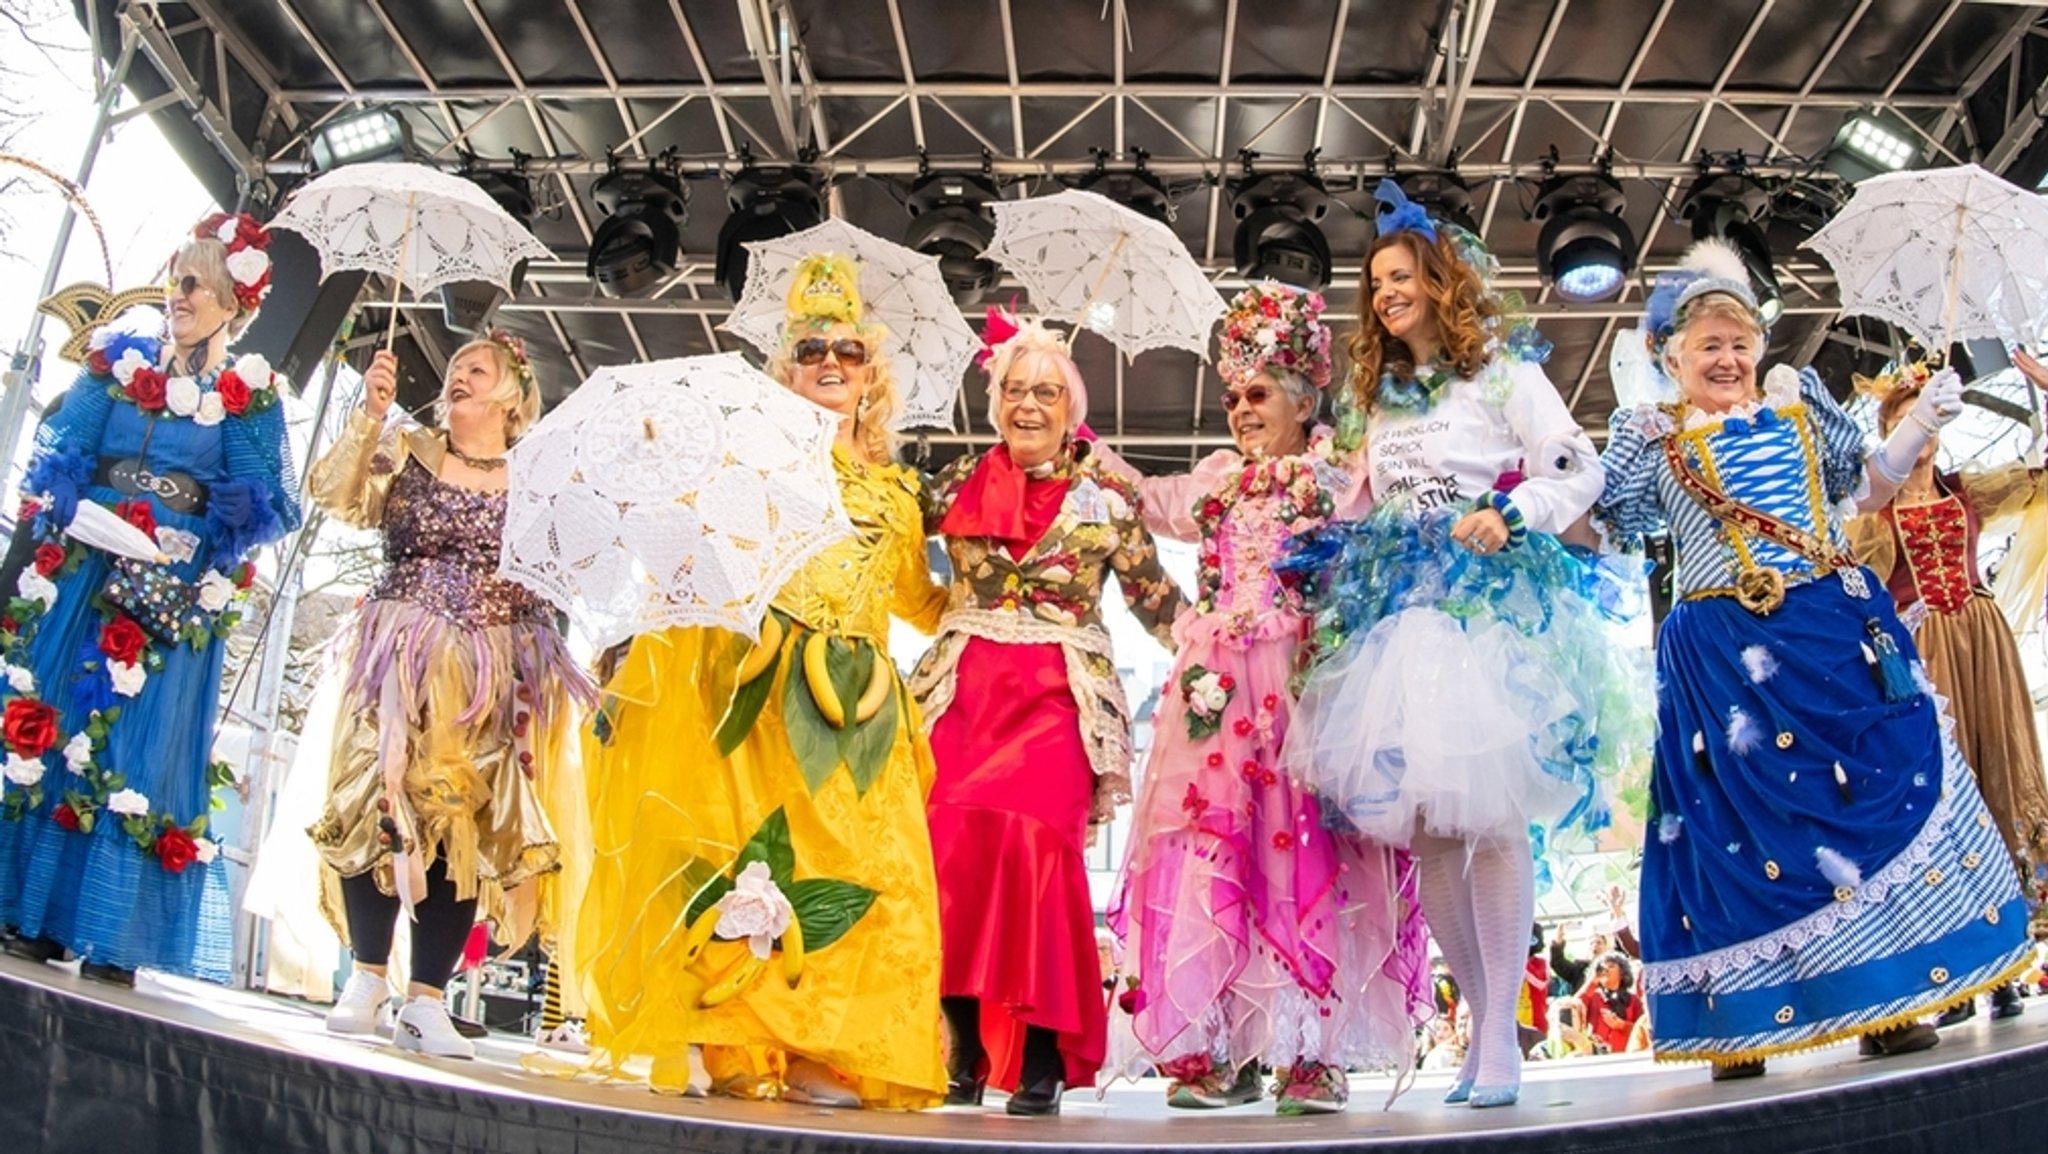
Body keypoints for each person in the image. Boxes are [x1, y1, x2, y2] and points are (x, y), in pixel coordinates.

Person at [1594, 238, 2032, 1082]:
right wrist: (1610, 446)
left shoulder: (1803, 408)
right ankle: (1743, 1022)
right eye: (1707, 348)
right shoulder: (1655, 437)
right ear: (1673, 361)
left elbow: (1864, 490)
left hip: (1829, 631)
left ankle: (1892, 1002)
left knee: (1872, 799)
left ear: (1759, 350)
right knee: (1738, 828)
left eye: (1738, 343)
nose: (1726, 359)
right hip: (1721, 650)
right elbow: (1617, 517)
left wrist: (1921, 422)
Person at [1276, 179, 1649, 1110]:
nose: (1387, 292)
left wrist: (1513, 510)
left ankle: (1500, 1043)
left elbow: (1578, 466)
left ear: (1441, 279)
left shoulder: (1505, 376)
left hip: (1489, 614)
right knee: (1433, 835)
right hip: (1398, 617)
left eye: (1400, 275)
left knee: (1490, 820)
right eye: (1376, 281)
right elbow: (1362, 494)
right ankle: (1483, 1023)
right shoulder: (1379, 397)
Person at [576, 255, 950, 1108]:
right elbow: (694, 561)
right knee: (753, 866)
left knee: (873, 874)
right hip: (760, 687)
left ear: (870, 373)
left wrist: (985, 574)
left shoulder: (897, 491)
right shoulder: (747, 464)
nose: (831, 360)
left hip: (860, 701)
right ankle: (741, 1044)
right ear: (785, 368)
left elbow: (917, 602)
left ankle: (825, 1050)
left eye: (849, 350)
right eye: (812, 347)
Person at [1099, 282, 1426, 1114]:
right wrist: (1085, 443)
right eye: (1233, 396)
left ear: (1302, 398)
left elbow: (1396, 502)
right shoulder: (1213, 478)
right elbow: (1143, 497)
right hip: (1214, 693)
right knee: (1214, 856)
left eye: (1258, 394)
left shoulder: (1337, 475)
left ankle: (1314, 1054)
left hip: (1304, 685)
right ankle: (1223, 1049)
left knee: (1312, 857)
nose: (1241, 410)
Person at [0, 214, 299, 985]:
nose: (179, 294)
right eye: (176, 279)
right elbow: (60, 450)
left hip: (170, 586)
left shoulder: (249, 397)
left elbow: (271, 504)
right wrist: (67, 498)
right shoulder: (115, 364)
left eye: (196, 282)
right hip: (87, 569)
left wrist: (222, 526)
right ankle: (29, 917)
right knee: (57, 720)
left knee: (139, 742)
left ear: (233, 301)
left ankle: (111, 933)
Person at [911, 309, 1184, 1116]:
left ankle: (1040, 1051)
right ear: (994, 402)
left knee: (1037, 853)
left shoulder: (1104, 500)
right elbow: (878, 535)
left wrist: (1230, 649)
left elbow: (1157, 601)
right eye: (1015, 389)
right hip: (963, 693)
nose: (1029, 404)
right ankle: (960, 1047)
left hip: (1056, 698)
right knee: (947, 850)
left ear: (1072, 408)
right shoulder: (955, 486)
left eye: (1047, 392)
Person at [305, 332, 590, 1057]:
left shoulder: (539, 480)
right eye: (456, 367)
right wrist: (367, 418)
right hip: (397, 656)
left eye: (476, 369)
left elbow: (559, 575)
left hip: (487, 670)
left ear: (511, 395)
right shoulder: (407, 448)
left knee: (462, 825)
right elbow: (337, 497)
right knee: (377, 802)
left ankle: (427, 998)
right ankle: (368, 975)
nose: (458, 376)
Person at [1847, 359, 2047, 1024]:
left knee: (1999, 782)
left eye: (1922, 413)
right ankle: (1956, 973)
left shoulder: (1967, 492)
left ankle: (2010, 967)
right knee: (1944, 802)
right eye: (1901, 417)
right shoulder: (1872, 516)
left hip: (1982, 642)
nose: (1917, 428)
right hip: (1922, 654)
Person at [1554, 952, 1644, 1054]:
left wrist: (1621, 1025)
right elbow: (1573, 1006)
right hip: (1596, 1055)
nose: (1605, 970)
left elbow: (1642, 1028)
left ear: (1622, 973)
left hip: (1625, 1055)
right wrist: (1592, 982)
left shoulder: (1634, 1000)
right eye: (1602, 968)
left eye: (1611, 966)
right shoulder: (1593, 996)